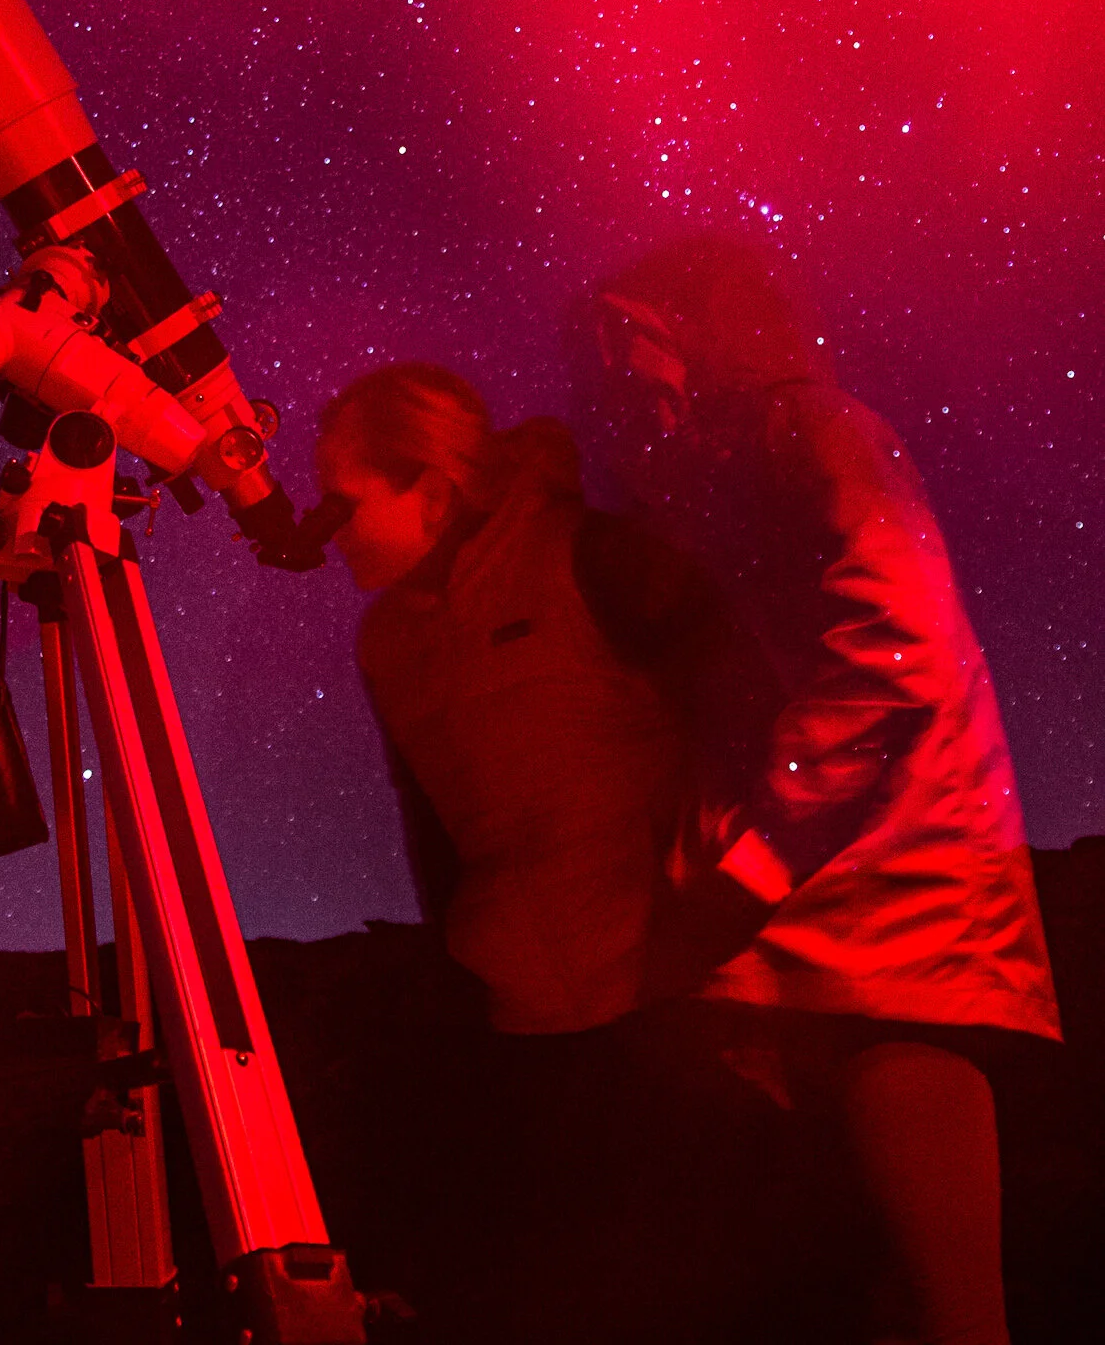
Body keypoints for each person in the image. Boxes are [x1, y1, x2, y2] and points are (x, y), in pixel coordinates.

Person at [591, 236, 1061, 1345]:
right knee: (863, 1262)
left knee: (935, 1255)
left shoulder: (815, 430)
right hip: (822, 857)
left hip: (881, 856)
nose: (615, 366)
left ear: (697, 327)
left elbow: (892, 640)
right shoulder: (728, 453)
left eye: (634, 334)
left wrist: (763, 840)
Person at [315, 361, 712, 1342]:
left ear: (434, 489)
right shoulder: (388, 641)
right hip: (516, 1012)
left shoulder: (594, 557)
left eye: (346, 499)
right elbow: (431, 818)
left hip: (654, 1007)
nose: (324, 528)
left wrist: (717, 936)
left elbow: (729, 725)